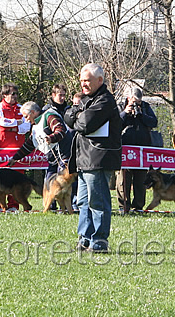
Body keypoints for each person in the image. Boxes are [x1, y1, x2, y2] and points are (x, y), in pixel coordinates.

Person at [64, 64, 122, 253]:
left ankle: (99, 241)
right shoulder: (88, 100)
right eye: (81, 81)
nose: (83, 84)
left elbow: (85, 124)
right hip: (84, 159)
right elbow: (68, 116)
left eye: (87, 80)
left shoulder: (105, 100)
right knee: (82, 201)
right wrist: (77, 114)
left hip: (98, 158)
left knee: (97, 202)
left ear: (99, 80)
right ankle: (85, 239)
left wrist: (77, 114)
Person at [116, 87, 157, 213]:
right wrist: (125, 113)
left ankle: (138, 206)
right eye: (134, 101)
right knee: (123, 179)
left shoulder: (145, 107)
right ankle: (124, 205)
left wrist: (141, 115)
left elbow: (154, 122)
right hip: (125, 149)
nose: (136, 104)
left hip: (141, 150)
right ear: (129, 98)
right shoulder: (120, 106)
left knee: (140, 180)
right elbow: (115, 124)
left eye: (139, 101)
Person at [0, 83, 30, 210]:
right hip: (2, 149)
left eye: (17, 94)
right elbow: (2, 123)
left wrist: (12, 128)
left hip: (18, 150)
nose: (15, 96)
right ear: (4, 95)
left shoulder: (22, 108)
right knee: (0, 179)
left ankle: (14, 205)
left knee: (17, 178)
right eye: (13, 94)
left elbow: (27, 126)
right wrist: (17, 124)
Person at [6, 101, 67, 169]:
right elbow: (29, 144)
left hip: (64, 158)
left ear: (32, 112)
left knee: (61, 180)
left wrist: (51, 138)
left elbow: (61, 130)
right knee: (49, 179)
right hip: (52, 161)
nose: (26, 120)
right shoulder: (35, 125)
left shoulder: (49, 116)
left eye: (26, 117)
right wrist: (15, 158)